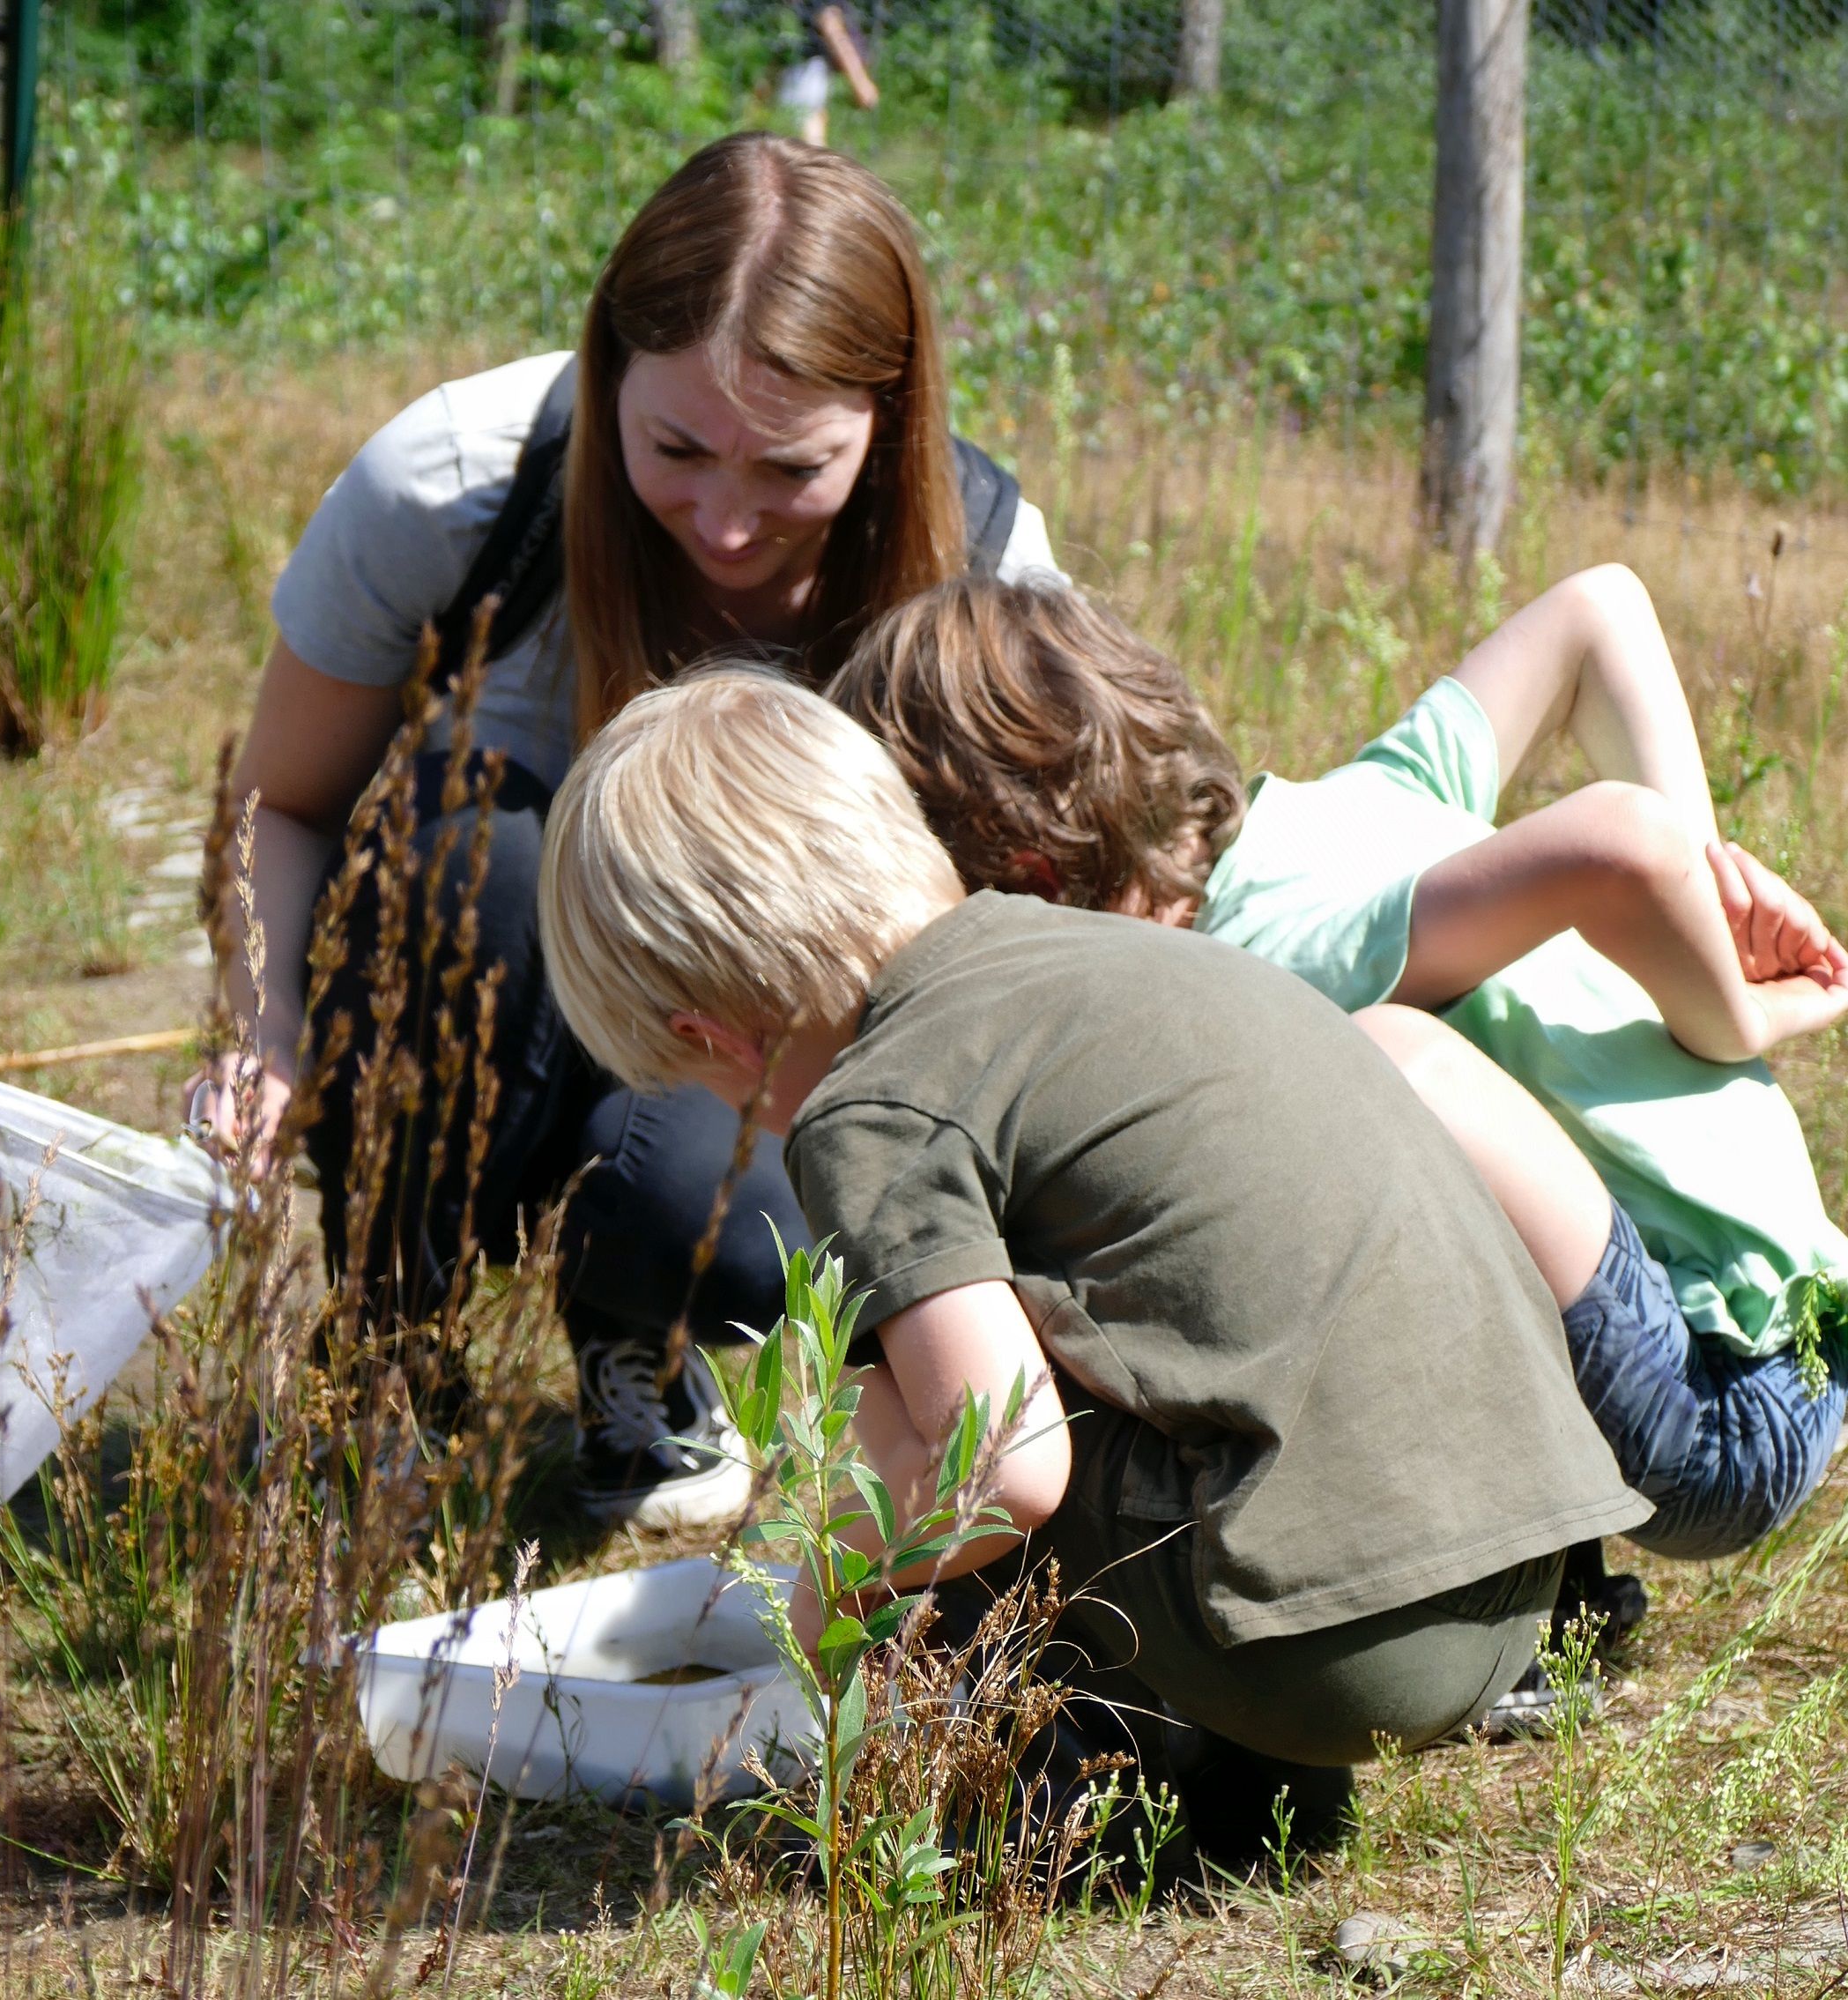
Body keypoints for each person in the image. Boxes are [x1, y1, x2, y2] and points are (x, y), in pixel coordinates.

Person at [535, 667, 1651, 1843]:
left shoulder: (874, 1104)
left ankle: (1047, 1802)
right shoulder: (1100, 952)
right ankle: (1230, 1768)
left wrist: (818, 1582)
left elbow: (1002, 1469)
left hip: (1343, 1656)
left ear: (710, 1038)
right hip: (1518, 1586)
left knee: (882, 1410)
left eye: (709, 1090)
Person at [197, 133, 1061, 1530]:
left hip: (751, 1056)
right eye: (675, 449)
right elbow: (279, 802)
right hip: (499, 981)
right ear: (608, 376)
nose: (725, 522)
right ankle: (383, 1345)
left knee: (698, 1218)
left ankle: (644, 1351)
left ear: (888, 424)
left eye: (792, 468)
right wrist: (266, 1028)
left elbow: (1028, 950)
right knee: (480, 848)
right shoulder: (462, 486)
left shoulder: (981, 567)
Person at [829, 570, 1848, 1585]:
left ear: (1030, 881)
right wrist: (1718, 910)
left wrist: (1732, 1003)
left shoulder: (1282, 955)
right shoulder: (1366, 798)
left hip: (1727, 1409)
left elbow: (1618, 842)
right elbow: (1603, 608)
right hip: (1801, 1319)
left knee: (1379, 1070)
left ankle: (1486, 1573)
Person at [776, 4, 879, 149]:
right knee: (811, 145)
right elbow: (833, 30)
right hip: (809, 73)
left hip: (792, 71)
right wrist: (860, 81)